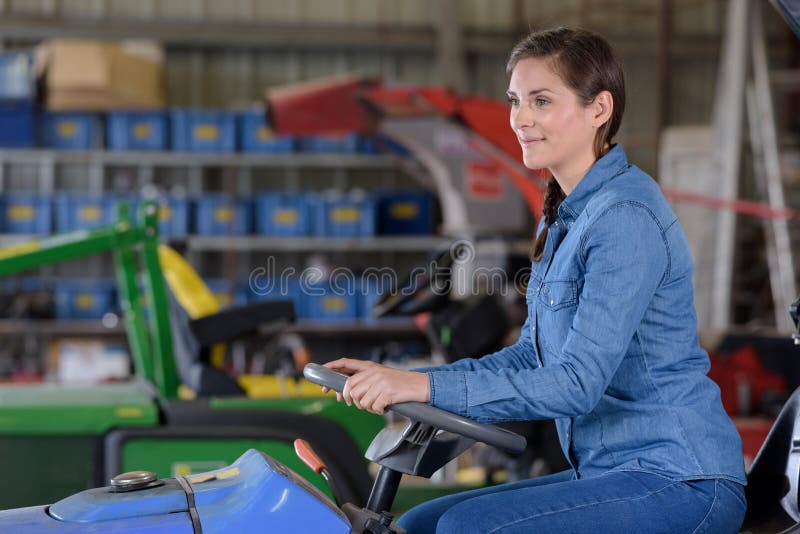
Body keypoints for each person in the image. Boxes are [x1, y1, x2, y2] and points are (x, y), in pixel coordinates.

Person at [323, 27, 747, 533]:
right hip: (608, 470)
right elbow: (532, 356)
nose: (520, 119)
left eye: (541, 101)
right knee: (421, 523)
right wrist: (412, 383)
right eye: (516, 101)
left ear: (599, 109)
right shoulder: (562, 214)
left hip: (679, 478)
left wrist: (420, 385)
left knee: (465, 529)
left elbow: (576, 384)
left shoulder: (625, 218)